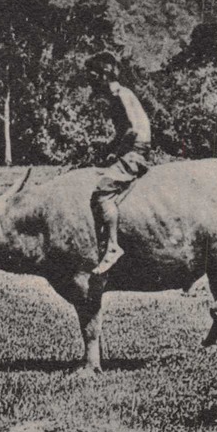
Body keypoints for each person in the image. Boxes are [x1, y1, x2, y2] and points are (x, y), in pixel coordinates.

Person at [83, 52, 152, 275]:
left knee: (102, 191)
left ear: (104, 75)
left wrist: (118, 152)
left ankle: (113, 246)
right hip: (132, 147)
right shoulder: (117, 97)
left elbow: (132, 130)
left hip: (136, 151)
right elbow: (122, 133)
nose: (89, 80)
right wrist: (107, 150)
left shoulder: (121, 95)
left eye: (92, 74)